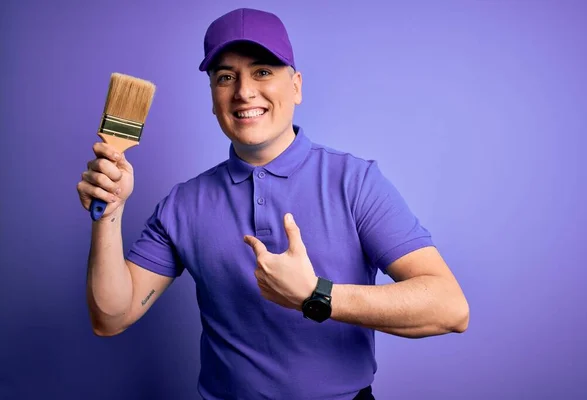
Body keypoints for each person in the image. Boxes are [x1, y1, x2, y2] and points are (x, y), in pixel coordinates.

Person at [76, 7, 469, 400]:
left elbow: (449, 307)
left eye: (262, 71)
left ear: (296, 86)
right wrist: (109, 214)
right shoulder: (183, 204)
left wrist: (317, 295)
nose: (244, 91)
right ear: (213, 98)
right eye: (226, 77)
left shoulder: (355, 182)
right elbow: (111, 317)